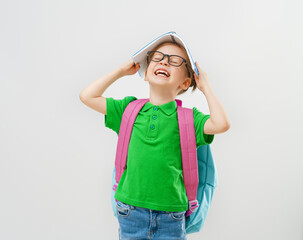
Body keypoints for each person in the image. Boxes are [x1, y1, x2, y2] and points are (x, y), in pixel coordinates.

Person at [79, 40, 230, 240]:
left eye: (175, 61)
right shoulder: (129, 109)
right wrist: (120, 71)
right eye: (157, 58)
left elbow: (221, 124)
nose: (164, 62)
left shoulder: (189, 119)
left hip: (171, 216)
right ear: (146, 72)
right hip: (129, 212)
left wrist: (206, 87)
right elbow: (87, 96)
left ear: (185, 82)